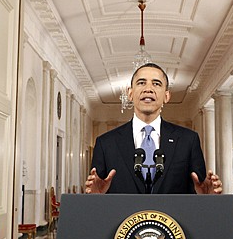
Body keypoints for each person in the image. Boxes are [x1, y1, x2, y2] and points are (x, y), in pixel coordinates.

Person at [85, 63, 222, 194]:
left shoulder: (188, 140)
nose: (148, 89)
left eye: (156, 84)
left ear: (166, 96)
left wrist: (206, 197)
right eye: (141, 83)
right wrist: (96, 197)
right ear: (130, 93)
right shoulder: (106, 143)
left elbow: (199, 189)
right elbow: (98, 195)